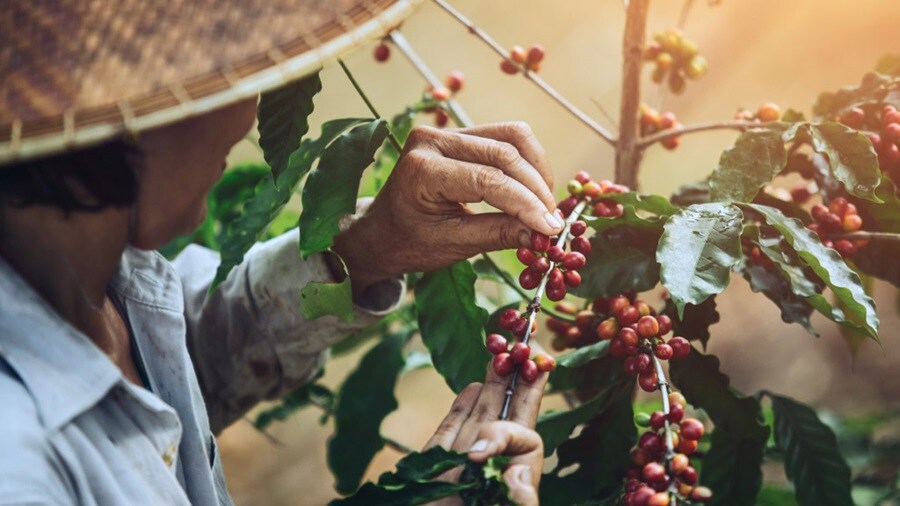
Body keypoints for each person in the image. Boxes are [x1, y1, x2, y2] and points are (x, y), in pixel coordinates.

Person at [0, 2, 565, 504]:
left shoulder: (96, 277)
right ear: (127, 108)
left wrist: (365, 245)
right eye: (223, 74)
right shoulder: (17, 466)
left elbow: (177, 371)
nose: (250, 110)